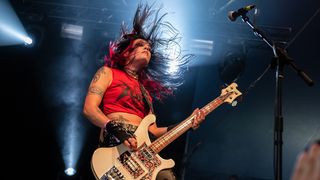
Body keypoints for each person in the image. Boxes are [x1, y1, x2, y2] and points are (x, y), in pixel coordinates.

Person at [82, 3, 206, 180]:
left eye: (149, 46)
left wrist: (189, 123)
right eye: (141, 44)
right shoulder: (107, 72)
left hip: (142, 152)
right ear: (126, 53)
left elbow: (154, 132)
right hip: (116, 144)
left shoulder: (145, 93)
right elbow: (89, 109)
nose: (147, 47)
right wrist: (116, 129)